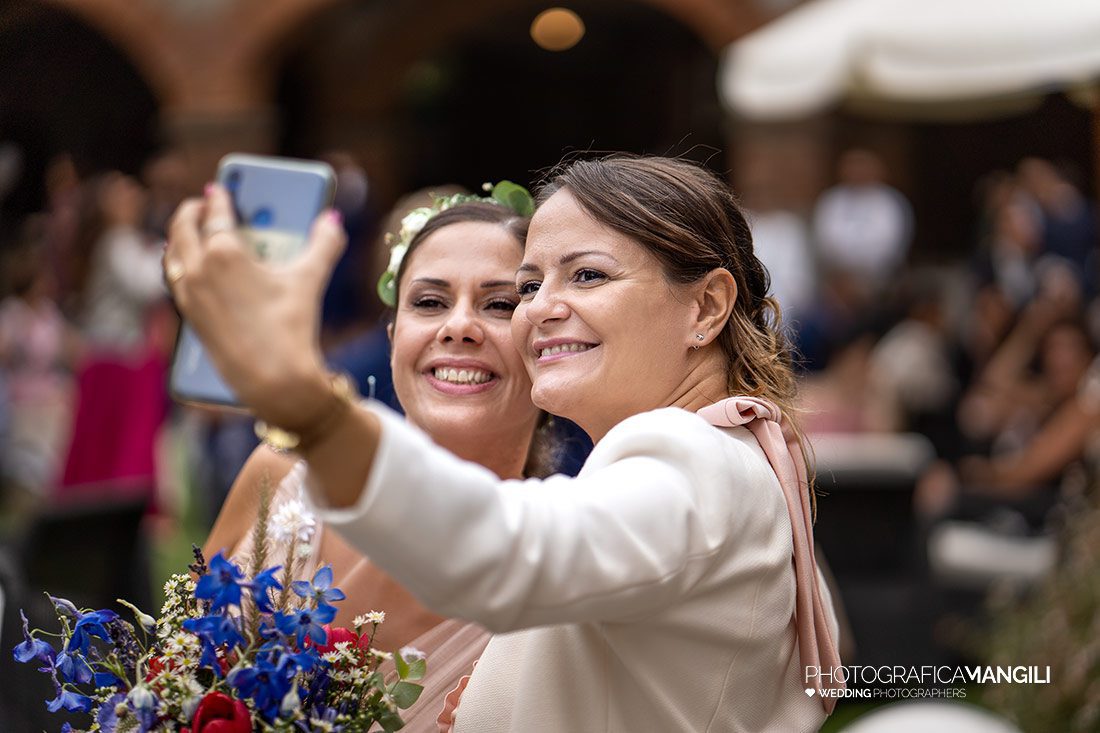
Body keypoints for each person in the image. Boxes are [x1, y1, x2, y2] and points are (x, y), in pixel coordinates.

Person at [166, 154, 844, 731]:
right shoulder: (726, 457)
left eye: (587, 275)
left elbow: (515, 552)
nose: (539, 308)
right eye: (531, 284)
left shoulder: (692, 459)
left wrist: (312, 409)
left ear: (704, 307)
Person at [202, 191, 547, 728]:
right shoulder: (277, 474)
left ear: (546, 345)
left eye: (499, 304)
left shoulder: (551, 589)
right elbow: (173, 658)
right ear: (392, 338)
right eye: (429, 303)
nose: (458, 327)